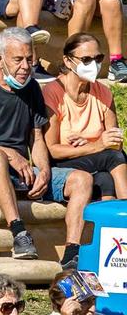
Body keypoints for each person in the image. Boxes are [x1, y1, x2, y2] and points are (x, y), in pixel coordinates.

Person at [0, 27, 67, 261]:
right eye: (18, 60)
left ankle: (73, 253)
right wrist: (7, 153)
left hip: (19, 172)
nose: (26, 66)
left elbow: (36, 138)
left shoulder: (33, 88)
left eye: (30, 59)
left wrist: (45, 170)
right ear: (0, 59)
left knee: (82, 180)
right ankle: (19, 232)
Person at [45, 34, 127, 270]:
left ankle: (95, 252)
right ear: (69, 61)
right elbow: (53, 150)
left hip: (96, 162)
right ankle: (125, 214)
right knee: (114, 158)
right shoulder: (52, 93)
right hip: (63, 164)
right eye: (86, 59)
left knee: (104, 180)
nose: (94, 64)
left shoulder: (102, 93)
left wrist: (90, 143)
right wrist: (96, 145)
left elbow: (114, 139)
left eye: (98, 58)